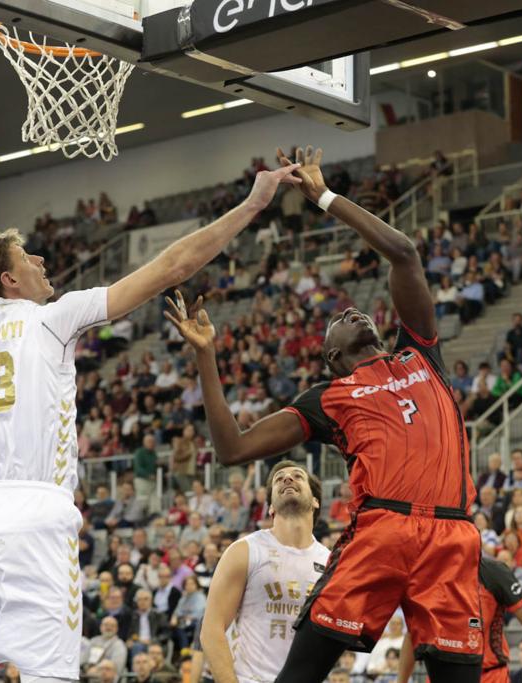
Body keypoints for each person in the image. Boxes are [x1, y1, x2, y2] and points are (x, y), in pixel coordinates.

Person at [0, 159, 304, 683]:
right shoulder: (54, 318)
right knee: (49, 673)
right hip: (37, 515)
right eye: (27, 256)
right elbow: (172, 268)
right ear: (9, 280)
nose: (41, 257)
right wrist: (254, 203)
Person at [171, 145, 483, 683]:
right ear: (332, 357)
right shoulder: (330, 395)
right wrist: (206, 356)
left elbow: (404, 253)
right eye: (337, 320)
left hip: (452, 538)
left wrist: (325, 197)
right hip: (381, 531)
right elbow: (233, 450)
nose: (349, 311)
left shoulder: (420, 355)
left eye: (354, 313)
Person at [199, 461, 330, 683]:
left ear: (316, 501)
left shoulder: (330, 562)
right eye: (279, 478)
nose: (287, 479)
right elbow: (211, 629)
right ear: (270, 507)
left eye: (298, 476)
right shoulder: (245, 550)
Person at [396, 558, 522, 683]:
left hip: (489, 675)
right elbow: (415, 631)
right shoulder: (429, 574)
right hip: (441, 674)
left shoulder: (493, 573)